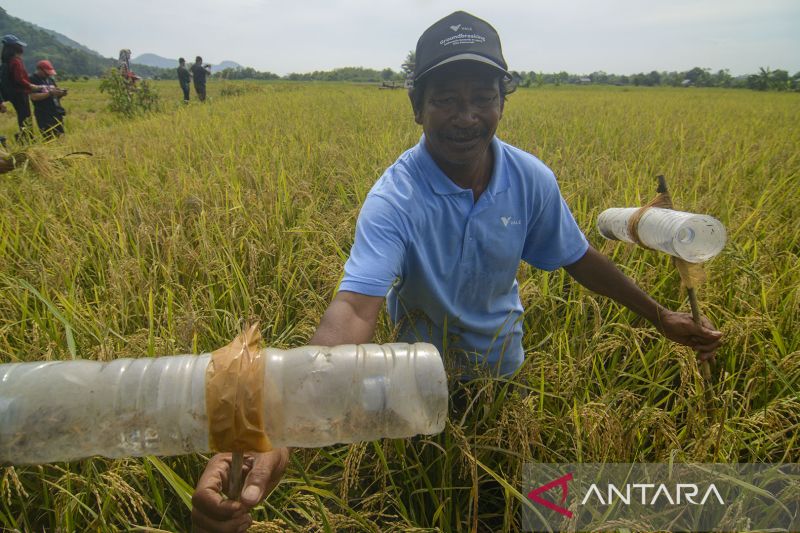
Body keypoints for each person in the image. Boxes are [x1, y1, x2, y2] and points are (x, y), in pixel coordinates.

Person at [191, 11, 723, 529]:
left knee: (502, 491)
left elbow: (578, 257)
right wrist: (280, 423)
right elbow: (354, 308)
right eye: (445, 99)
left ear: (502, 103)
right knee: (421, 494)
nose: (467, 116)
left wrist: (660, 316)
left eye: (483, 98)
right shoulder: (395, 198)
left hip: (500, 369)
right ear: (417, 107)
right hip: (416, 377)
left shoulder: (530, 179)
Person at [1, 34, 43, 142]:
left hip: (13, 93)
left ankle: (24, 137)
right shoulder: (16, 61)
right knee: (26, 117)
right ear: (15, 48)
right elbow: (19, 79)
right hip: (20, 92)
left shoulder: (7, 61)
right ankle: (26, 139)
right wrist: (31, 86)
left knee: (22, 116)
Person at [29, 60, 67, 139]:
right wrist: (50, 93)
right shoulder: (32, 79)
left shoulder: (50, 80)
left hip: (56, 112)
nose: (48, 75)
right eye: (46, 73)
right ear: (39, 69)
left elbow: (55, 93)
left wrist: (61, 94)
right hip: (44, 114)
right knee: (49, 138)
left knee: (61, 137)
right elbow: (33, 97)